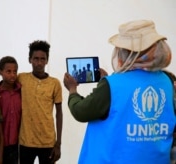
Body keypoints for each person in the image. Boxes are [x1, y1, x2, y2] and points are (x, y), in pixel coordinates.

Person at [63, 20, 175, 163]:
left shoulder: (112, 84)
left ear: (129, 52)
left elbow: (81, 111)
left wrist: (72, 90)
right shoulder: (167, 81)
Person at [18, 40, 63, 164]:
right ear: (30, 59)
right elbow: (6, 87)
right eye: (35, 59)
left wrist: (58, 144)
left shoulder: (55, 83)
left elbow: (59, 113)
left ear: (47, 60)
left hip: (48, 141)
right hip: (26, 140)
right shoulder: (21, 78)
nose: (39, 63)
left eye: (42, 59)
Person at [0, 56, 21, 164]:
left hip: (17, 143)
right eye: (8, 71)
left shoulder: (21, 92)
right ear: (0, 72)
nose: (12, 75)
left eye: (15, 71)